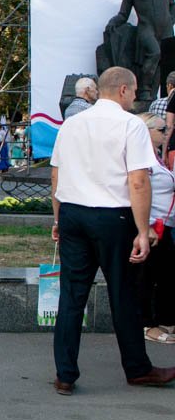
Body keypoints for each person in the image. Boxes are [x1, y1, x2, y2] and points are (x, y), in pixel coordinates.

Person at [50, 66, 175, 395]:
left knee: (72, 297)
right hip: (113, 217)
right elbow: (138, 180)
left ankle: (65, 374)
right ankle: (137, 368)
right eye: (134, 91)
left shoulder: (72, 124)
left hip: (74, 215)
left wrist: (58, 219)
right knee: (124, 295)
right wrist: (142, 229)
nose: (135, 97)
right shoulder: (130, 125)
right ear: (122, 90)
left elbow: (56, 175)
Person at [110, 0, 175, 103]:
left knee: (165, 61)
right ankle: (144, 89)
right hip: (146, 28)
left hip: (166, 29)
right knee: (154, 53)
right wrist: (113, 23)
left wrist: (171, 20)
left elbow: (173, 5)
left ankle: (161, 94)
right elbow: (123, 14)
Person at [135, 113, 175, 345]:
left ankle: (162, 320)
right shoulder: (143, 160)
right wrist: (146, 224)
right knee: (147, 276)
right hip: (152, 225)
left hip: (164, 224)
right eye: (161, 130)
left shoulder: (156, 157)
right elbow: (138, 190)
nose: (165, 133)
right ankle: (146, 324)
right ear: (146, 131)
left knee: (165, 274)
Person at [147, 71, 175, 163]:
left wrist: (163, 153)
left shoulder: (157, 103)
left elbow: (169, 126)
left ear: (169, 85)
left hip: (168, 148)